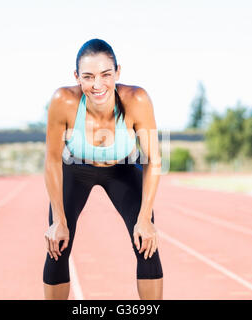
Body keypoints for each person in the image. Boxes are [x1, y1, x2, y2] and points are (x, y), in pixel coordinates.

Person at [43, 38, 163, 300]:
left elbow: (153, 159)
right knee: (58, 244)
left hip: (123, 169)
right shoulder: (63, 101)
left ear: (118, 72)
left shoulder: (137, 99)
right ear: (77, 77)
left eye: (105, 75)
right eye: (88, 77)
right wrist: (58, 221)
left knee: (146, 243)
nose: (98, 85)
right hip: (75, 169)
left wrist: (144, 219)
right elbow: (52, 159)